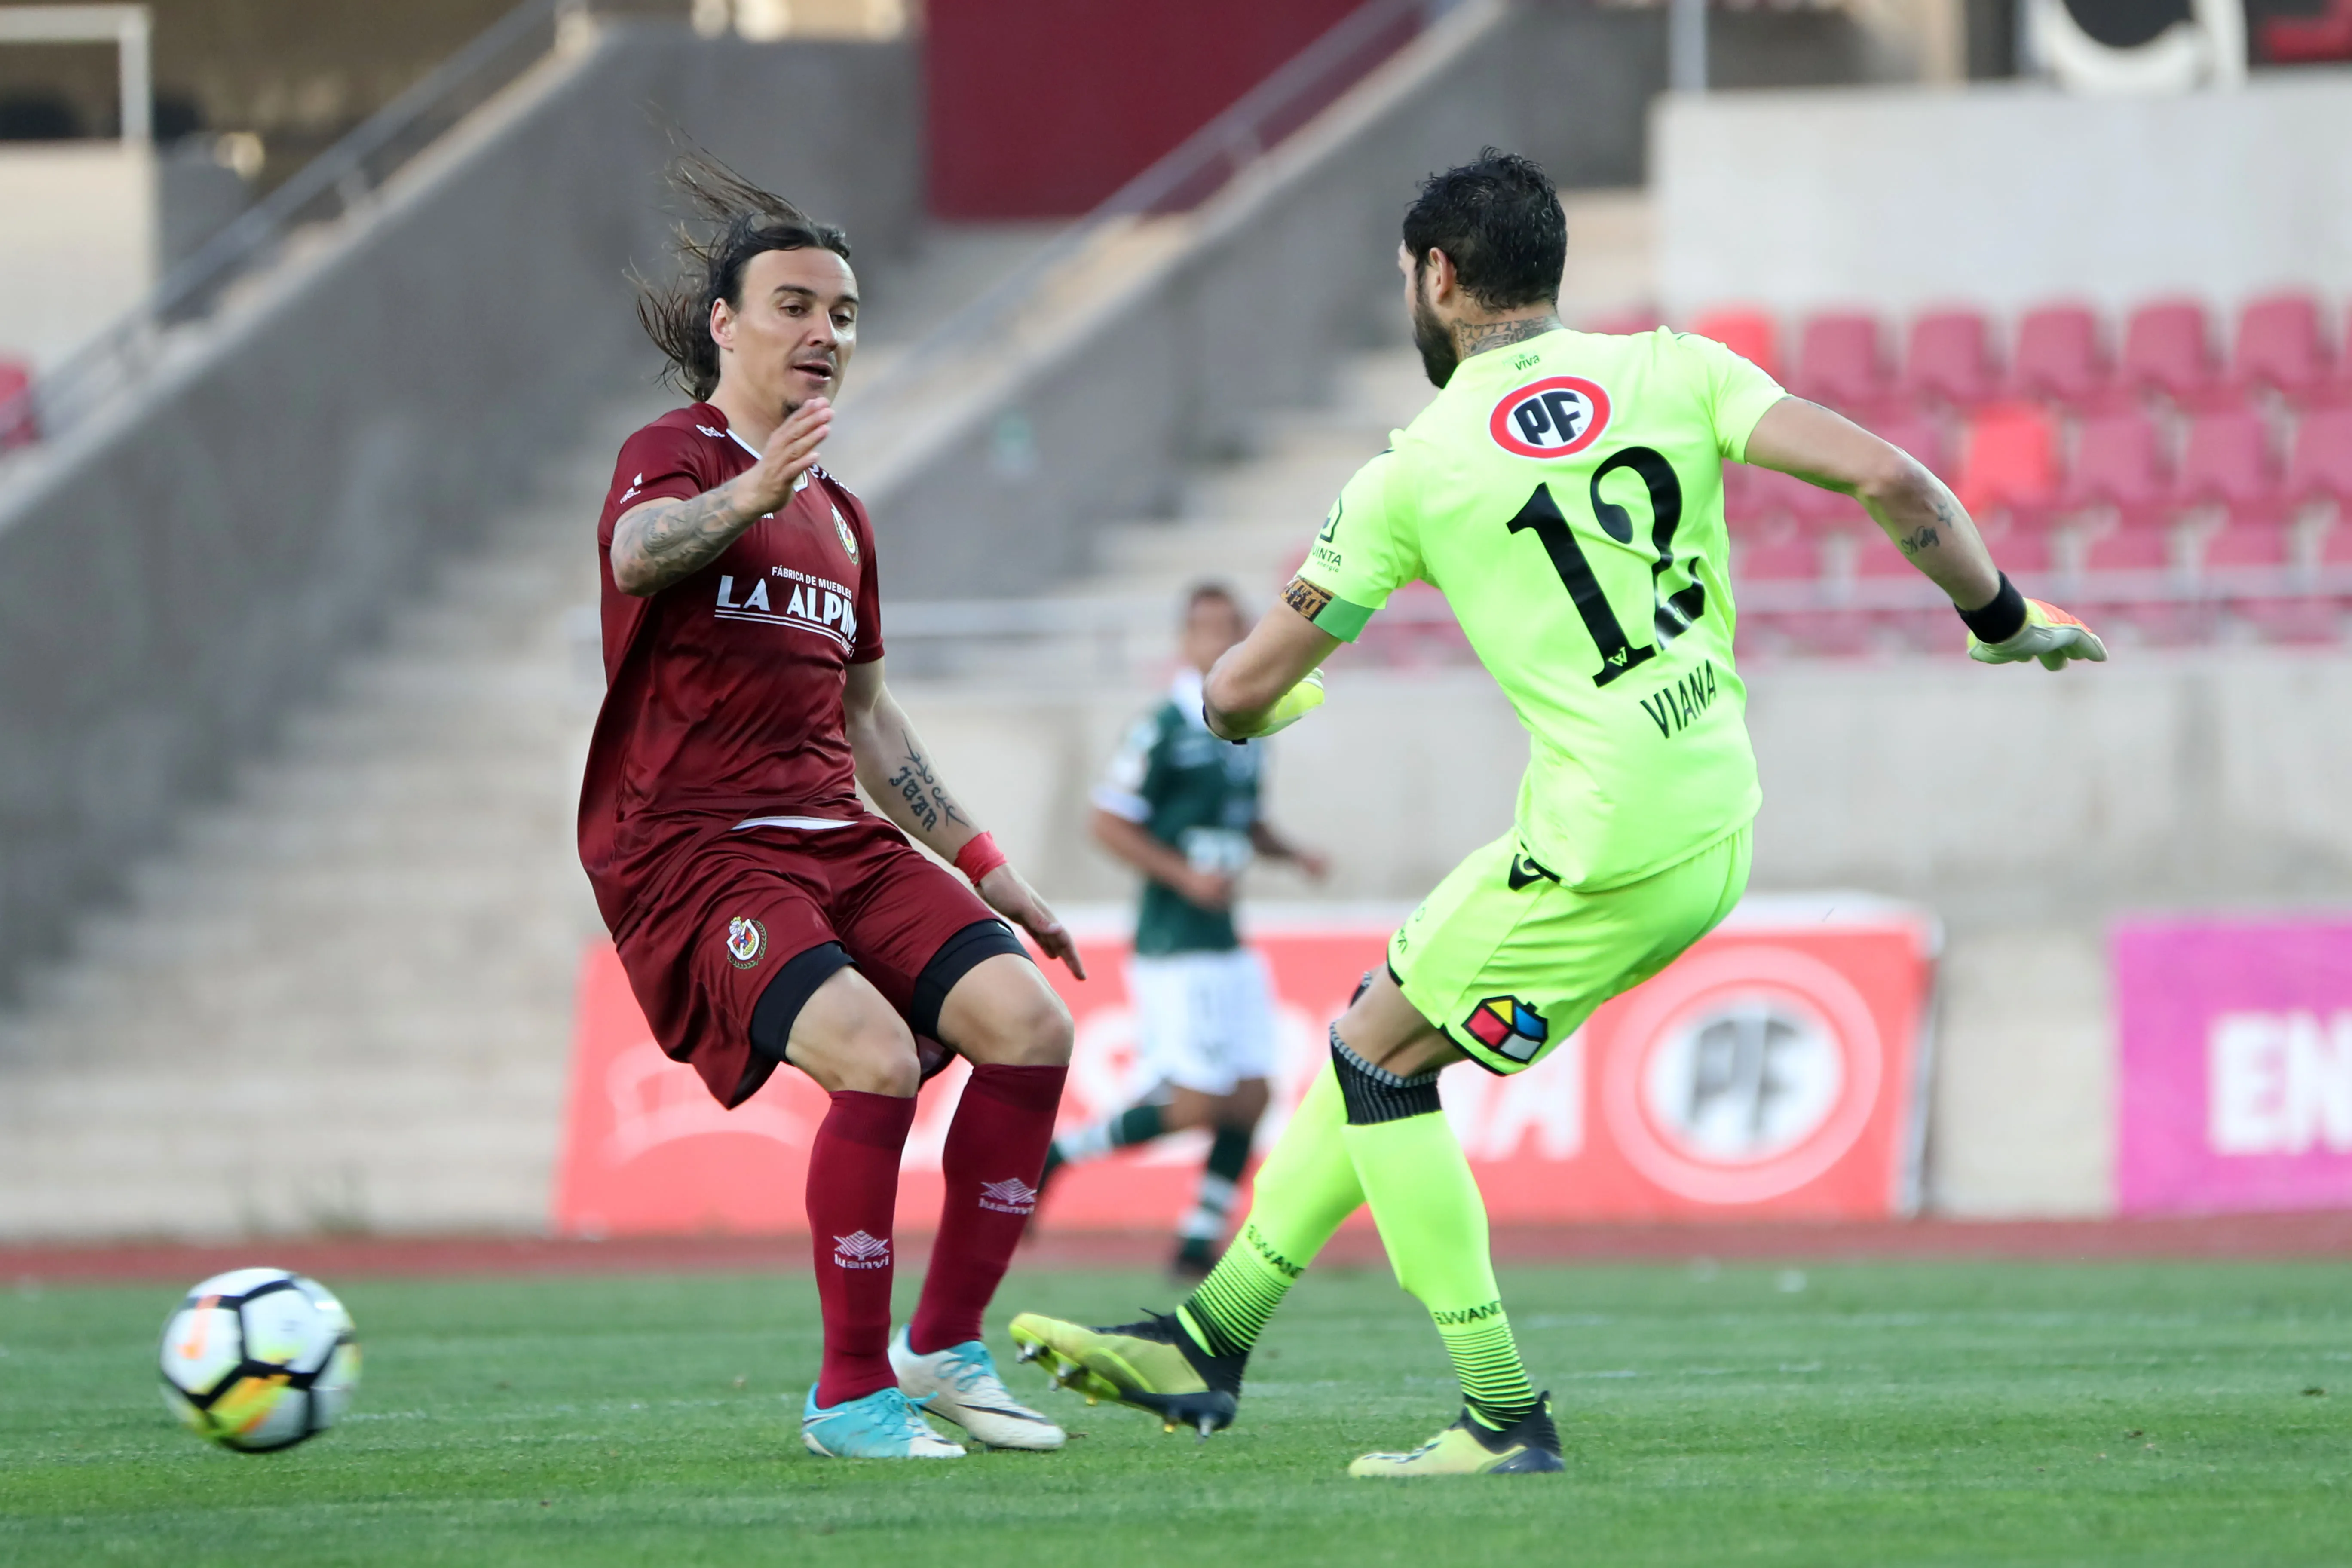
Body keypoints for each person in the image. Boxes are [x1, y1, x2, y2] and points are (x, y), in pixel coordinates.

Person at [1008, 148, 2104, 1476]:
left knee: (1375, 1065)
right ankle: (1210, 1336)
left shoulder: (1412, 470)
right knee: (1379, 1019)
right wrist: (2001, 619)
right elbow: (1899, 485)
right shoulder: (1681, 370)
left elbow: (1233, 691)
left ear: (1439, 277)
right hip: (1711, 809)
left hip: (1605, 841)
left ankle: (1498, 1414)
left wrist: (1265, 713)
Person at [579, 154, 1089, 1461]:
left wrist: (990, 868)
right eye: (797, 305)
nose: (825, 334)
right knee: (872, 1059)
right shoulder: (671, 459)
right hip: (700, 853)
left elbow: (869, 719)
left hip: (838, 837)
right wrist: (745, 494)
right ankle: (850, 1394)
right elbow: (641, 555)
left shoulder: (846, 519)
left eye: (845, 315)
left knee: (1029, 1026)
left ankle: (946, 1349)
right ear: (726, 325)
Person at [1035, 582, 1329, 1281]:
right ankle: (1057, 1156)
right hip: (1174, 941)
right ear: (1184, 641)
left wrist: (1291, 853)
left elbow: (1243, 820)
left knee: (1256, 1094)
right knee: (1197, 1101)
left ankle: (1199, 1240)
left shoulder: (1253, 726)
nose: (1218, 643)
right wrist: (1182, 876)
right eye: (1206, 630)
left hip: (1226, 938)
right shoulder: (1162, 727)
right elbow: (1106, 821)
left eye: (1232, 630)